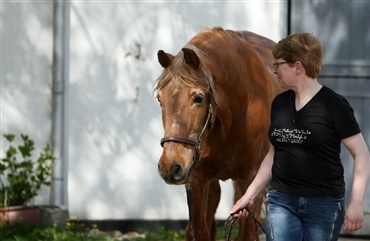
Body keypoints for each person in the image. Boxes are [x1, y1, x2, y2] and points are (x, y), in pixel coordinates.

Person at [230, 33, 370, 241]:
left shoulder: (334, 105)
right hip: (281, 201)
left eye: (277, 64)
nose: (274, 70)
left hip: (323, 204)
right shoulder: (279, 103)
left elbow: (362, 155)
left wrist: (356, 204)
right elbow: (273, 155)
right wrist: (247, 196)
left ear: (298, 66)